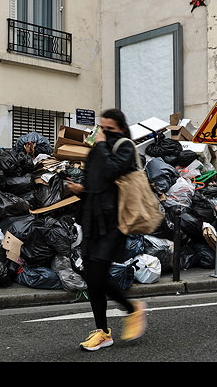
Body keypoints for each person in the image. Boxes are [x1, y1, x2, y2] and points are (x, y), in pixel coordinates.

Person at [67, 108, 147, 351]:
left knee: (97, 276)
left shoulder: (124, 147)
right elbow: (96, 181)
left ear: (120, 129)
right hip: (92, 220)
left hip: (114, 223)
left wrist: (101, 145)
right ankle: (102, 332)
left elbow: (114, 170)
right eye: (101, 128)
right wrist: (82, 189)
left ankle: (133, 309)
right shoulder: (97, 150)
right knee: (92, 279)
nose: (103, 132)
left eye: (109, 129)